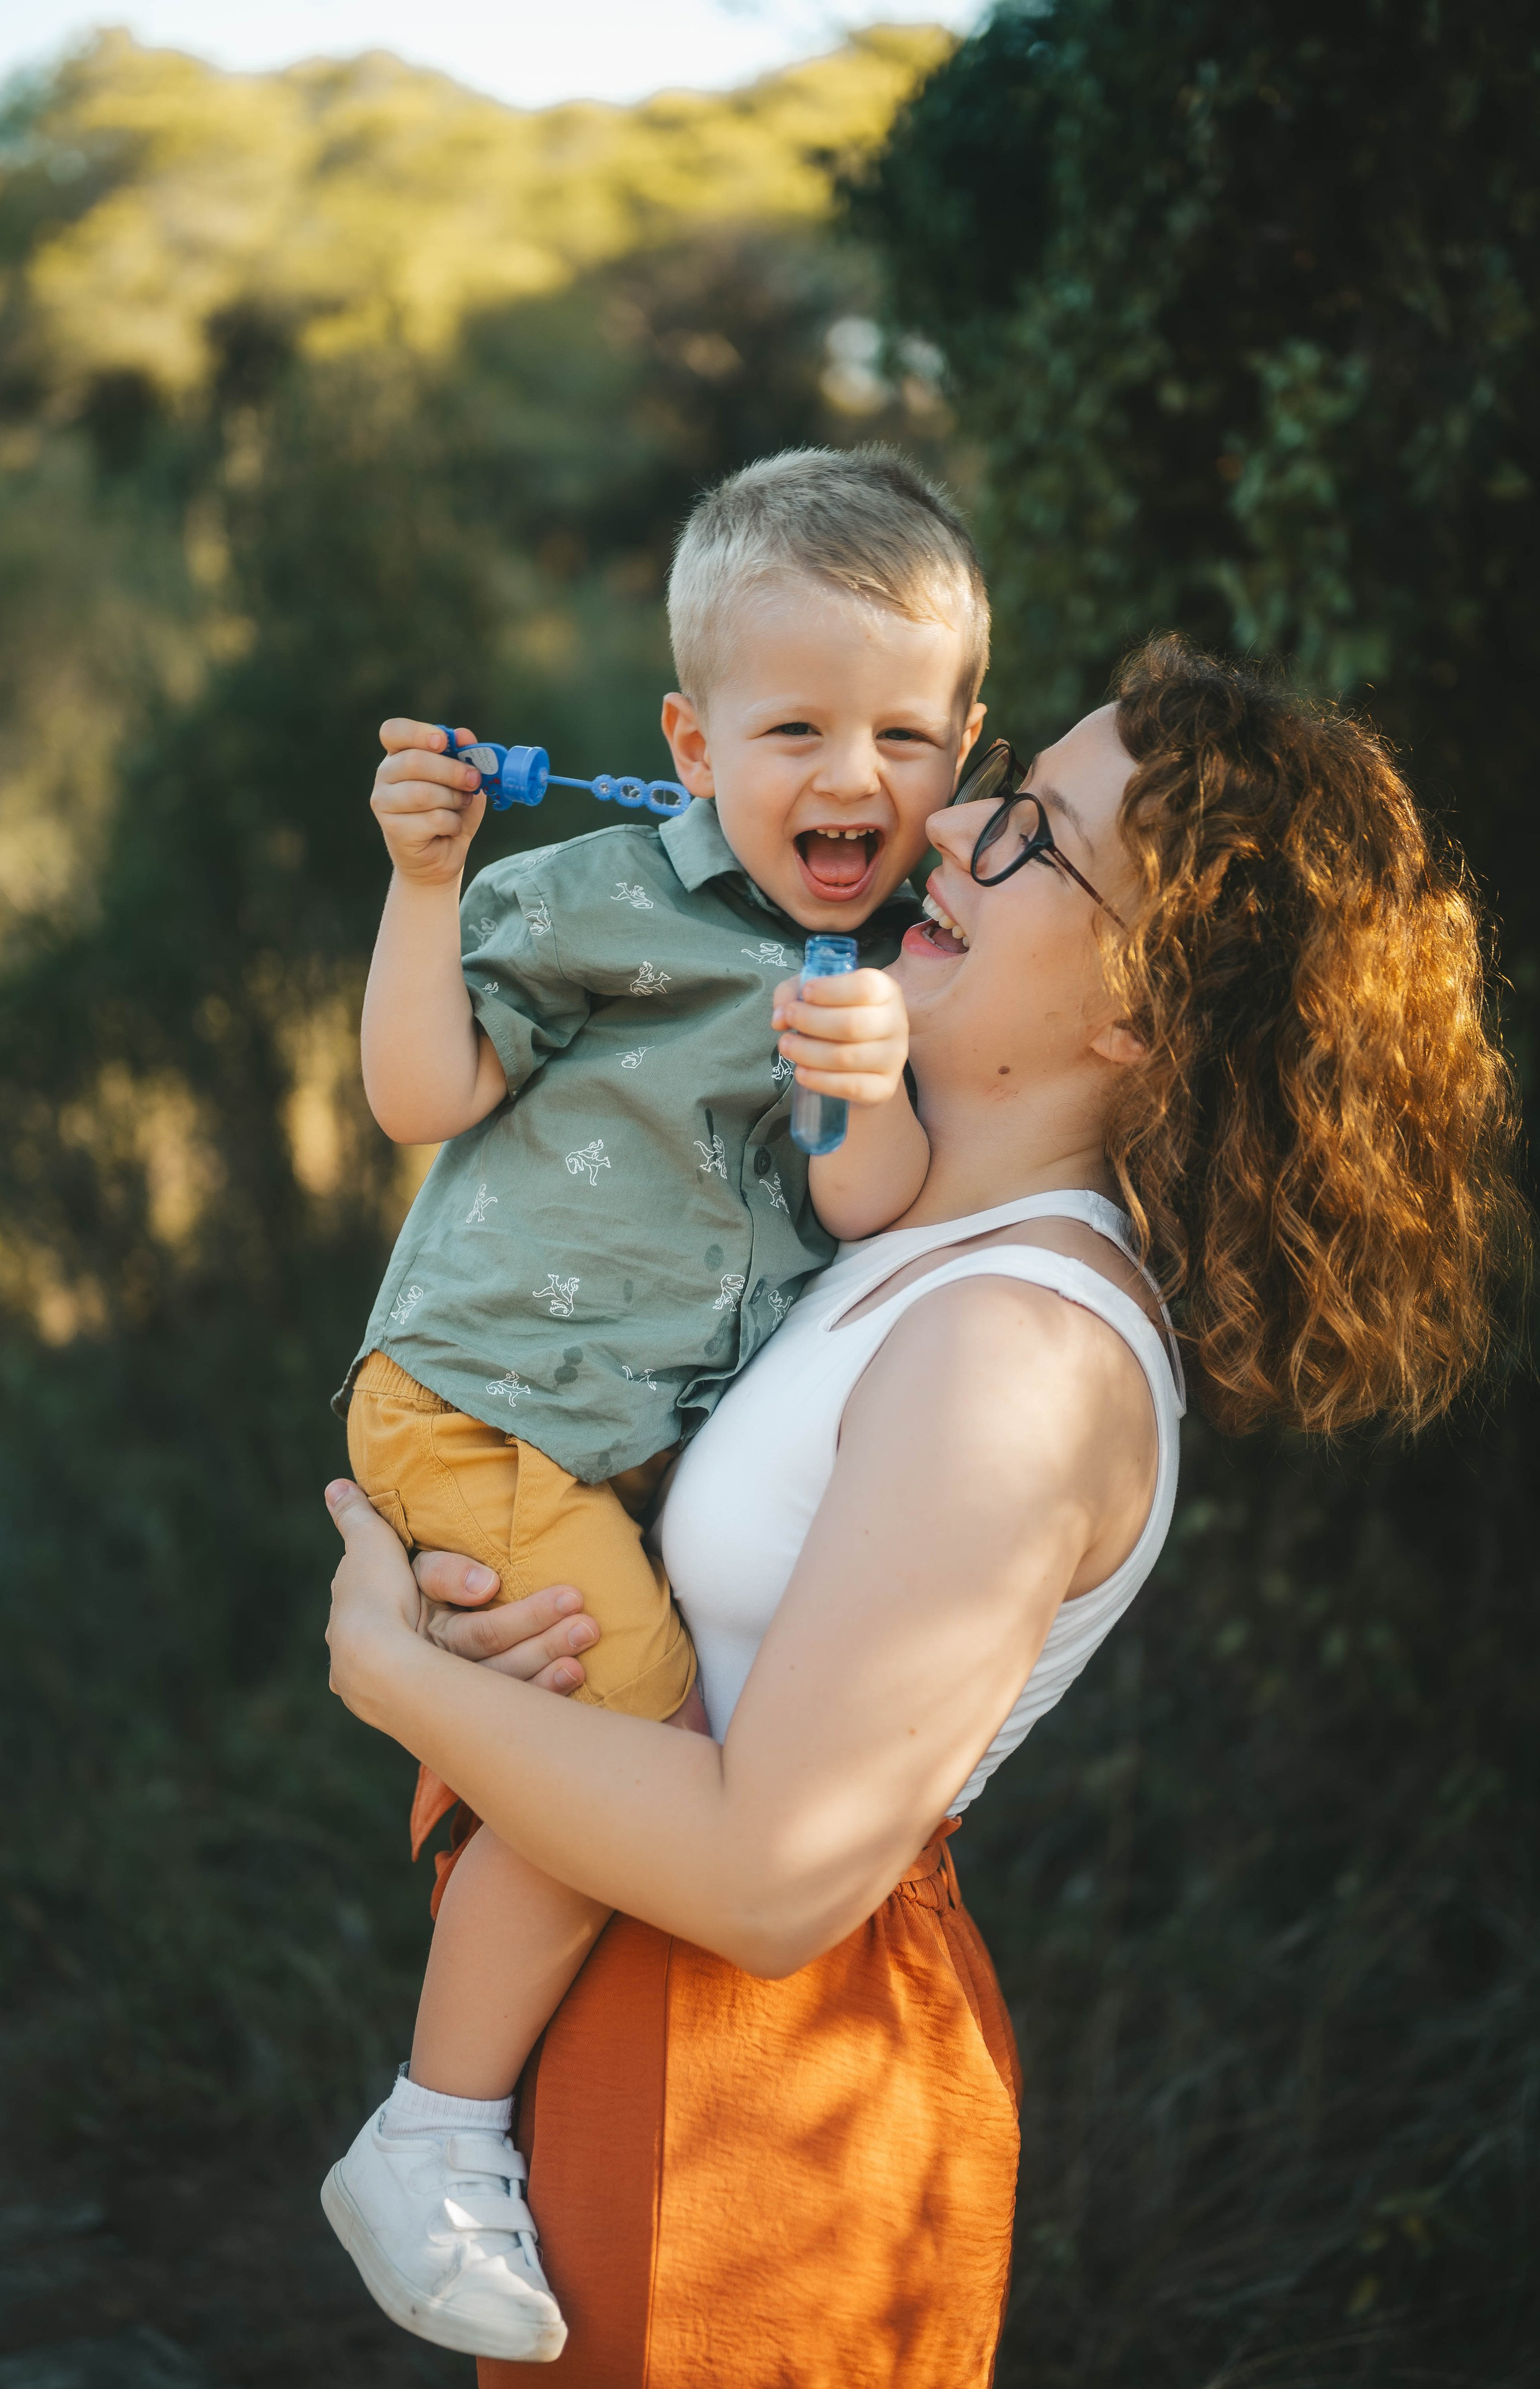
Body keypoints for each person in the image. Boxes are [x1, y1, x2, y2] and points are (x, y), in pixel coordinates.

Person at [323, 636, 1524, 2385]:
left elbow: (771, 1875)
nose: (950, 824)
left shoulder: (1018, 1350)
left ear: (1141, 1011)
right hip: (644, 2028)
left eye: (1035, 837)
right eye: (1004, 788)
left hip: (756, 2105)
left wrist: (393, 1673)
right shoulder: (892, 1229)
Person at [323, 447, 994, 2359]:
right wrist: (427, 885)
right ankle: (430, 2129)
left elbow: (870, 1205)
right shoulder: (600, 894)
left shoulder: (912, 968)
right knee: (632, 1737)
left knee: (609, 1722)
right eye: (795, 732)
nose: (853, 778)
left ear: (964, 748)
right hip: (483, 1401)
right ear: (693, 745)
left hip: (614, 1456)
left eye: (904, 737)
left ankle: (508, 2122)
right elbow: (420, 1096)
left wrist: (862, 1083)